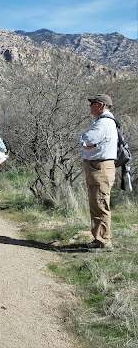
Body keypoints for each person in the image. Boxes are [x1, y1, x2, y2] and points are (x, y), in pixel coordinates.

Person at [80, 94, 118, 253]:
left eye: (92, 103)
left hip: (99, 168)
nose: (90, 106)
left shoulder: (103, 123)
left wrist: (83, 140)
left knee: (100, 204)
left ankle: (104, 243)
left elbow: (87, 138)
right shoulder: (108, 122)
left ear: (100, 105)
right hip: (101, 167)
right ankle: (99, 239)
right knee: (98, 204)